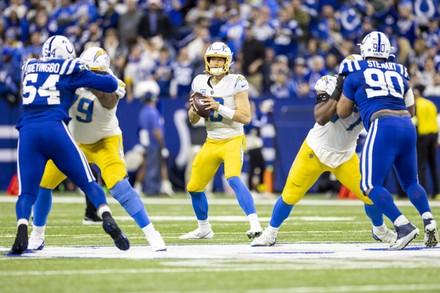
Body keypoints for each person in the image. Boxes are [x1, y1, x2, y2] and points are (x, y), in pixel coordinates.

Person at [27, 47, 166, 252]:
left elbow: (108, 100)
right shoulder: (72, 79)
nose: (90, 75)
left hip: (105, 142)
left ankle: (152, 234)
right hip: (74, 143)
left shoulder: (112, 83)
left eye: (95, 72)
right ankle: (37, 235)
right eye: (87, 71)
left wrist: (89, 81)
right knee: (44, 183)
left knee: (120, 188)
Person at [251, 55, 396, 247]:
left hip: (345, 154)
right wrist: (338, 92)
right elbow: (320, 117)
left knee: (370, 194)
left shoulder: (371, 93)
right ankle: (270, 232)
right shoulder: (329, 84)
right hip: (316, 150)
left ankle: (379, 230)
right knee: (290, 195)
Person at [10, 35, 129, 254]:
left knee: (27, 193)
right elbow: (110, 84)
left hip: (27, 130)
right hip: (55, 129)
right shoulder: (69, 68)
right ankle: (105, 215)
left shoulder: (29, 66)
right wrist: (84, 69)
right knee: (88, 182)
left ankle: (23, 230)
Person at [336, 31, 439, 250]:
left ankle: (403, 225)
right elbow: (410, 109)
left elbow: (343, 111)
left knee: (369, 184)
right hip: (407, 126)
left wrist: (345, 89)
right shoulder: (400, 72)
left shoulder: (355, 72)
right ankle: (429, 220)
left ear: (364, 50)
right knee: (411, 182)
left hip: (382, 124)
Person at [180, 41, 263, 239]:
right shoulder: (199, 81)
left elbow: (245, 117)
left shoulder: (237, 80)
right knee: (193, 187)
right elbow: (193, 120)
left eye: (220, 59)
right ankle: (204, 228)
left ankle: (256, 224)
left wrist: (218, 107)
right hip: (212, 141)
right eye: (213, 59)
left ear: (228, 61)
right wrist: (194, 108)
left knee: (233, 178)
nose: (216, 62)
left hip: (233, 139)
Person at [136, 80, 174, 197]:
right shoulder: (153, 112)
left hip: (147, 143)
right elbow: (157, 131)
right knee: (152, 167)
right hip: (153, 143)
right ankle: (152, 189)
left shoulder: (143, 111)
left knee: (149, 165)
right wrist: (162, 144)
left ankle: (151, 188)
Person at [413, 84, 439, 199]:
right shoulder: (430, 104)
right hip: (433, 136)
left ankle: (423, 192)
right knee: (433, 165)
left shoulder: (416, 105)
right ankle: (437, 192)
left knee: (421, 166)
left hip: (422, 137)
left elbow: (415, 122)